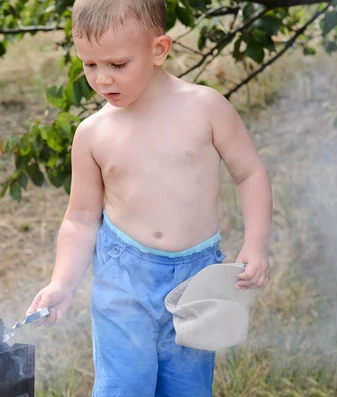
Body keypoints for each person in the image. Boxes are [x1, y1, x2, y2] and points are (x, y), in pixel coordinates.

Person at [25, 0, 272, 395]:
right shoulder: (93, 133)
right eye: (90, 65)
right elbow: (81, 218)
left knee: (187, 387)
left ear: (159, 49)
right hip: (124, 276)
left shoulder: (205, 107)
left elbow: (250, 172)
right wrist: (62, 282)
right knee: (125, 385)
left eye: (117, 65)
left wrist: (256, 243)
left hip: (196, 279)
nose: (102, 79)